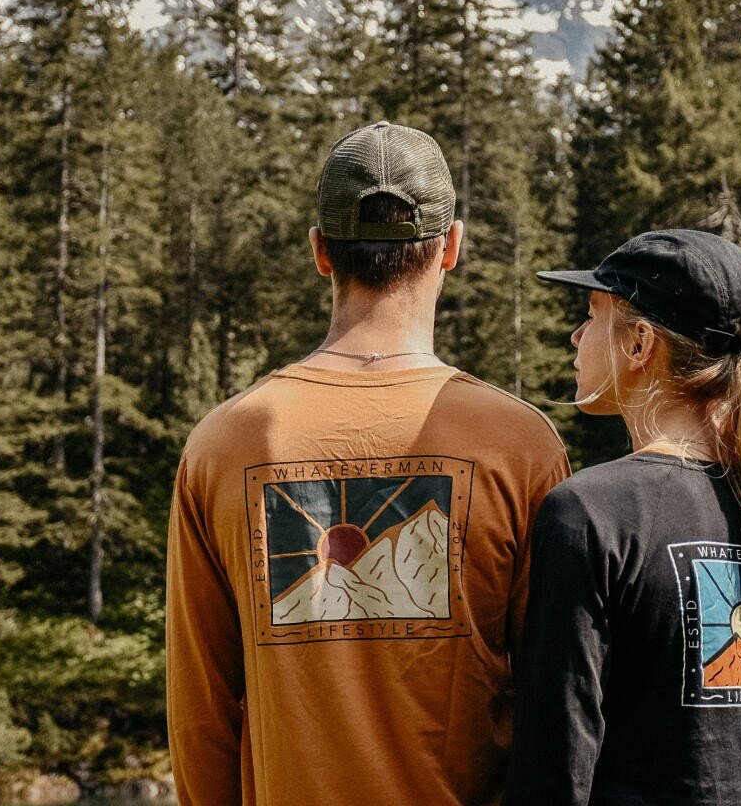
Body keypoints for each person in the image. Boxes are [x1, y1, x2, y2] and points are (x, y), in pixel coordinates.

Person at [167, 121, 571, 805]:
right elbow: (558, 707)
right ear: (451, 247)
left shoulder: (225, 444)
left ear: (320, 251)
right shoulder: (520, 445)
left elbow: (203, 710)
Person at [507, 229, 741, 806]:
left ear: (640, 343)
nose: (576, 335)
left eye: (591, 315)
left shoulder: (591, 513)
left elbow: (556, 766)